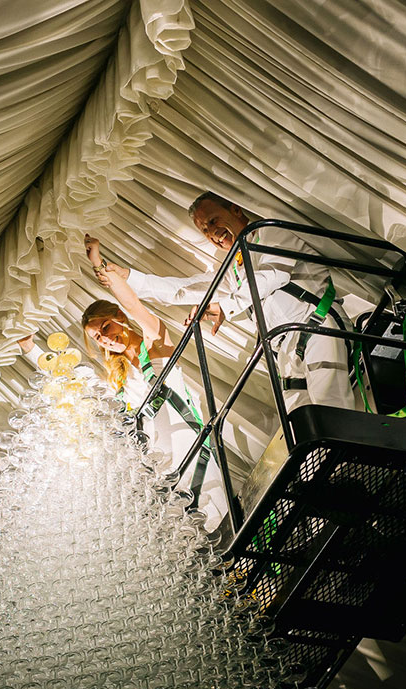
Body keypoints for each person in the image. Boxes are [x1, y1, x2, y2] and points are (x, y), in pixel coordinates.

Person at [97, 192, 374, 415]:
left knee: (331, 403)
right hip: (284, 347)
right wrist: (130, 278)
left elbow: (272, 276)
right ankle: (329, 480)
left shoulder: (272, 232)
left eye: (214, 221)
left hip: (315, 326)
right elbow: (186, 289)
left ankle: (351, 469)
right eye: (205, 230)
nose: (212, 233)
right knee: (301, 418)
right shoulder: (232, 266)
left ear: (236, 210)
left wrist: (225, 306)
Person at [82, 235, 230, 534]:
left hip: (190, 448)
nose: (107, 338)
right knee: (194, 536)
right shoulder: (118, 382)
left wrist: (99, 263)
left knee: (221, 517)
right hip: (161, 469)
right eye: (99, 338)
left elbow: (134, 303)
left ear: (119, 318)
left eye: (107, 328)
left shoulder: (156, 347)